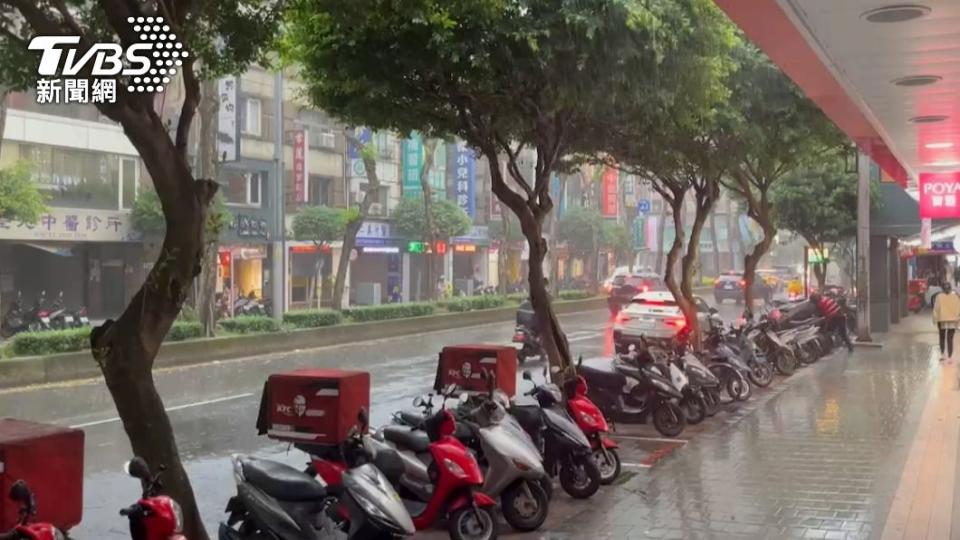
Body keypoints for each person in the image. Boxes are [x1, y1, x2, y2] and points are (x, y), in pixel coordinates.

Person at [933, 282, 960, 362]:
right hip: (953, 320)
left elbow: (936, 309)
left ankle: (943, 355)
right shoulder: (955, 296)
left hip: (942, 320)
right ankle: (950, 357)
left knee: (942, 337)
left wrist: (935, 319)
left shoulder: (939, 297)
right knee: (950, 338)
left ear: (942, 289)